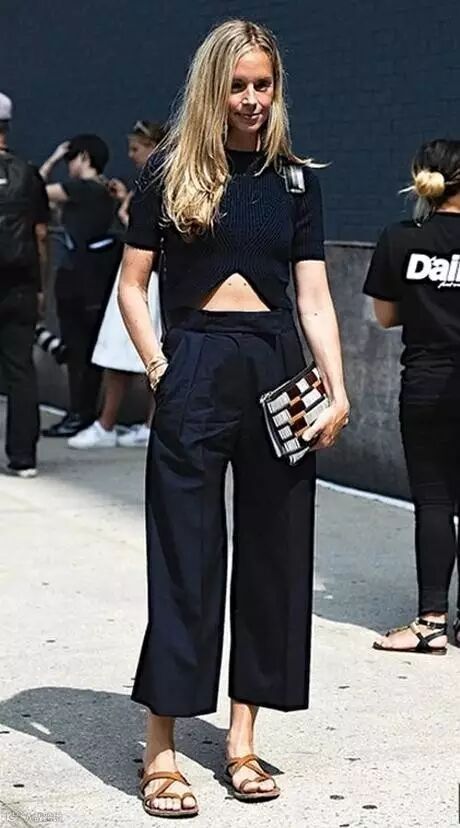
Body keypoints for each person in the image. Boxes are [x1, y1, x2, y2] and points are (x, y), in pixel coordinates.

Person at [119, 19, 349, 818]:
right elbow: (132, 286)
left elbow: (313, 296)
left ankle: (241, 740)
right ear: (212, 88)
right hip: (195, 363)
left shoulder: (295, 182)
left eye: (263, 84)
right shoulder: (170, 172)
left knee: (275, 556)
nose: (252, 99)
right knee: (185, 557)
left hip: (279, 368)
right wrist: (159, 367)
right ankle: (161, 746)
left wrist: (337, 387)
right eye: (238, 85)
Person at [364, 139, 460, 655]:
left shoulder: (400, 238)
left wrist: (426, 307)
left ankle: (431, 622)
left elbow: (384, 317)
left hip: (426, 383)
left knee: (435, 500)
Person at [68, 121, 165, 450]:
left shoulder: (160, 183)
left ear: (153, 147)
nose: (131, 156)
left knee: (130, 350)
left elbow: (152, 229)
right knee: (138, 351)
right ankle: (144, 424)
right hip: (145, 275)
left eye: (136, 149)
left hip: (147, 276)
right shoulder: (153, 182)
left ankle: (111, 423)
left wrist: (129, 215)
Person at [39, 135, 122, 438]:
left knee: (78, 350)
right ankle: (83, 412)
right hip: (96, 279)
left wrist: (51, 159)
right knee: (86, 350)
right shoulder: (106, 189)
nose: (68, 165)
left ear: (84, 157)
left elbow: (31, 190)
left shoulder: (82, 188)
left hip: (78, 279)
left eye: (70, 159)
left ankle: (79, 413)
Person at [0, 92, 49, 478]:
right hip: (19, 285)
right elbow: (41, 235)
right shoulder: (29, 174)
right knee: (20, 371)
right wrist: (40, 285)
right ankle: (23, 458)